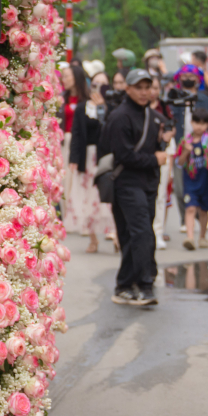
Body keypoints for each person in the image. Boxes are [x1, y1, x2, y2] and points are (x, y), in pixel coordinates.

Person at [99, 68, 172, 307]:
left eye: (146, 87)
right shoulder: (120, 117)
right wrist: (155, 159)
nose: (143, 92)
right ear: (127, 89)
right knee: (141, 234)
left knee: (133, 235)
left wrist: (163, 139)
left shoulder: (152, 115)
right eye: (138, 87)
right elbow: (124, 156)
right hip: (127, 184)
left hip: (148, 183)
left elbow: (152, 145)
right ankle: (143, 284)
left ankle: (124, 285)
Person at [63, 60, 115, 254]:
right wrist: (74, 159)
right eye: (96, 84)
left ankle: (115, 233)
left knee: (107, 195)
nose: (99, 88)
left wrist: (103, 108)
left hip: (105, 157)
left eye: (103, 85)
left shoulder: (111, 107)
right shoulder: (83, 107)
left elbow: (109, 127)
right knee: (87, 198)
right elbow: (76, 133)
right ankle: (93, 239)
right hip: (87, 156)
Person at [178, 114, 208, 250]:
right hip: (190, 179)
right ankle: (190, 238)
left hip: (207, 179)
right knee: (190, 208)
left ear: (207, 125)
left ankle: (202, 236)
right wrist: (186, 151)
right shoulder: (185, 141)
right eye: (196, 122)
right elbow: (180, 162)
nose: (199, 126)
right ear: (191, 123)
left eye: (203, 123)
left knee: (203, 210)